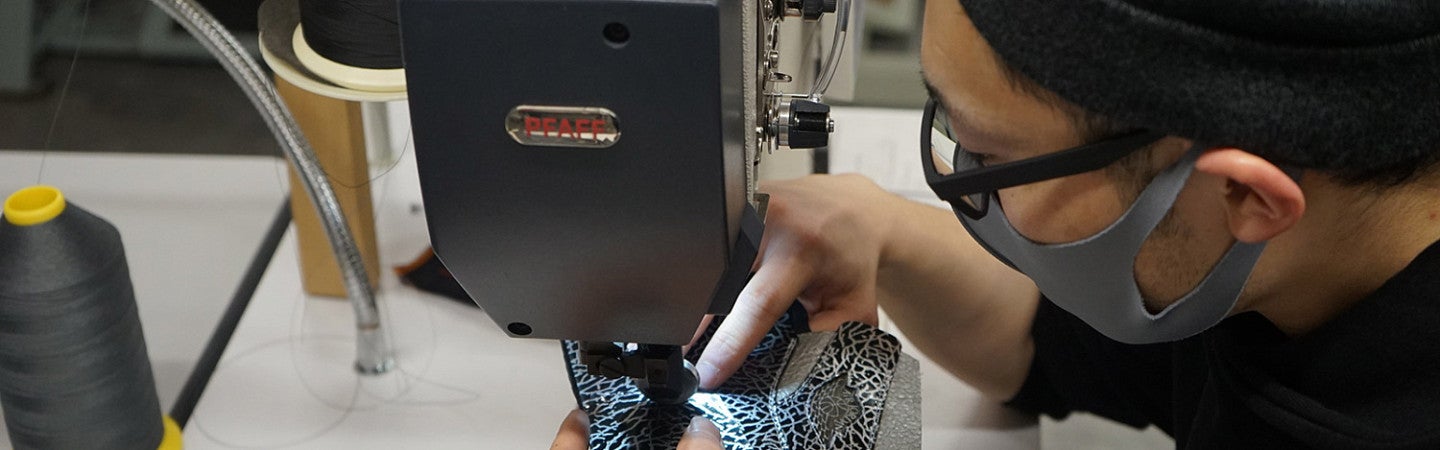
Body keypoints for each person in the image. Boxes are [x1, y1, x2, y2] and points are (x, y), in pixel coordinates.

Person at [556, 0, 1440, 447]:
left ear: (1245, 198)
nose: (966, 185)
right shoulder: (1270, 276)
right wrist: (880, 229)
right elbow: (1055, 346)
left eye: (989, 153)